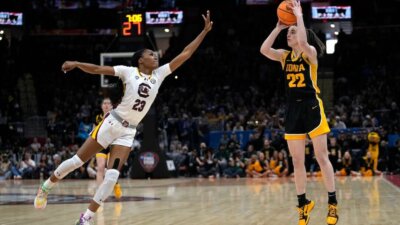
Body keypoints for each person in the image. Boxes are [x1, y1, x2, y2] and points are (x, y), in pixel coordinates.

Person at [34, 10, 213, 225]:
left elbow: (185, 54)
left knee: (111, 177)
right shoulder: (128, 72)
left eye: (154, 53)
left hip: (129, 131)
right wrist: (77, 63)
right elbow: (98, 68)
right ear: (140, 61)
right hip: (112, 122)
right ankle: (46, 187)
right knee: (76, 162)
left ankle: (86, 218)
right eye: (149, 53)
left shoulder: (160, 74)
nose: (154, 55)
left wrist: (203, 32)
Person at [260, 1, 338, 224]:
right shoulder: (285, 56)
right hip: (293, 109)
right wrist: (278, 27)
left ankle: (332, 204)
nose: (289, 35)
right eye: (289, 32)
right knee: (296, 161)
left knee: (322, 157)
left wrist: (299, 16)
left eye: (292, 32)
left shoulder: (310, 53)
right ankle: (303, 204)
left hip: (312, 106)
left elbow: (303, 40)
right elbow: (264, 50)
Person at [93, 97, 122, 199]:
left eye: (108, 103)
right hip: (101, 145)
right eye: (104, 103)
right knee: (100, 167)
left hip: (112, 145)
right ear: (101, 106)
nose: (106, 105)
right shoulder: (97, 118)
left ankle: (116, 184)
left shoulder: (116, 117)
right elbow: (94, 133)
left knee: (111, 170)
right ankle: (99, 193)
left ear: (111, 106)